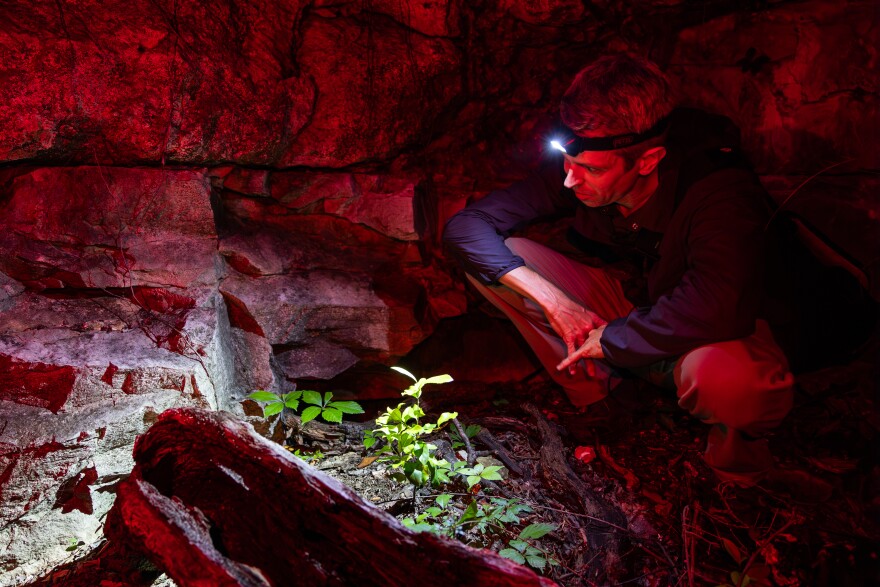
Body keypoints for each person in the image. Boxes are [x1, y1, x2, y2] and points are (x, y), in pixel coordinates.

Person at [443, 53, 797, 487]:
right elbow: (465, 228)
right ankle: (605, 398)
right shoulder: (576, 166)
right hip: (630, 308)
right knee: (501, 260)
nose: (571, 181)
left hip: (705, 331)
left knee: (735, 383)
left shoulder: (718, 190)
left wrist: (612, 340)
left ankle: (737, 473)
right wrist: (558, 303)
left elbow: (716, 304)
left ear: (647, 161)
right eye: (567, 164)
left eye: (590, 169)